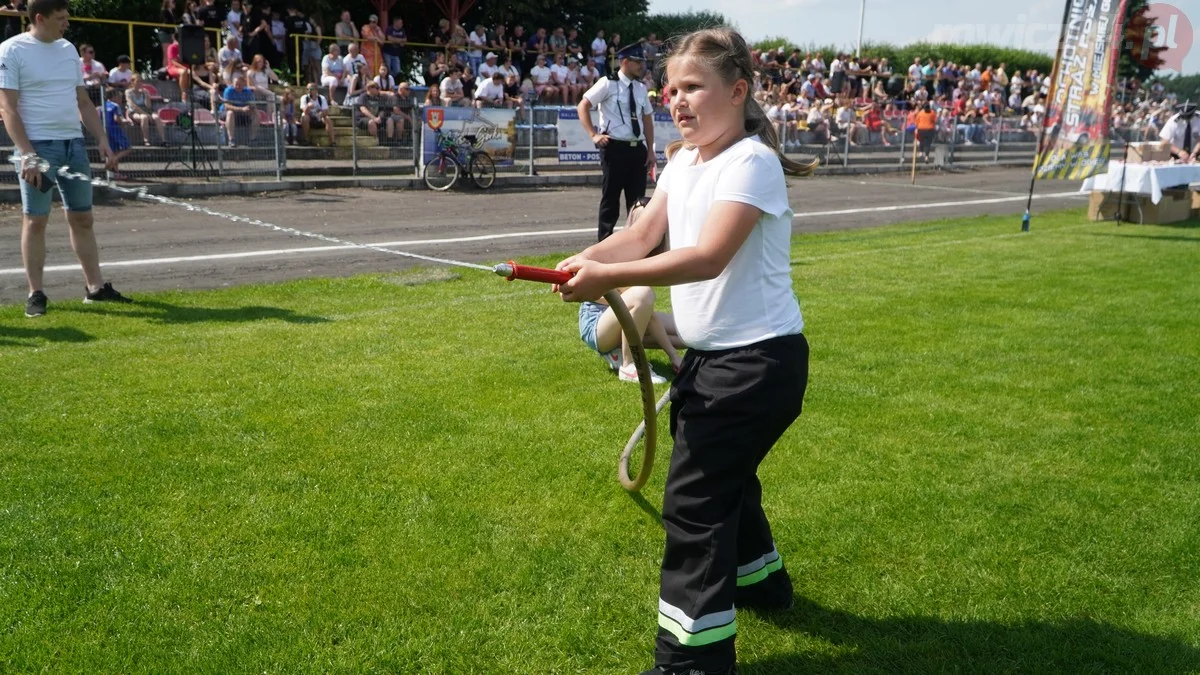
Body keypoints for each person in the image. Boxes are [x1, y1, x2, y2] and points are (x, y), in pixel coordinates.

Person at [555, 26, 814, 675]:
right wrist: (582, 261)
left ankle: (691, 662)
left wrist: (607, 279)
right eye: (672, 88)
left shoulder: (749, 161)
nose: (677, 99)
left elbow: (707, 256)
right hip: (715, 362)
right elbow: (641, 233)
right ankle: (760, 582)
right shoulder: (683, 161)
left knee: (693, 505)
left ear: (738, 90)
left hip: (758, 364)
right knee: (724, 479)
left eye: (694, 86)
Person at [0, 0, 132, 316]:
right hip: (38, 148)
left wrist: (101, 138)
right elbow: (8, 108)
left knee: (83, 217)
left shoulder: (67, 49)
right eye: (61, 18)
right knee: (36, 220)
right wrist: (28, 155)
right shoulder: (11, 50)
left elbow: (82, 101)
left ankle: (95, 289)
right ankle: (36, 294)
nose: (67, 23)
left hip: (73, 144)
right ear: (40, 18)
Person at [576, 199, 684, 383]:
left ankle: (618, 352)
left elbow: (648, 315)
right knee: (642, 294)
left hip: (621, 320)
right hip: (596, 324)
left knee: (686, 330)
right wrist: (673, 355)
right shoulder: (619, 250)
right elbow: (597, 295)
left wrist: (674, 357)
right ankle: (629, 365)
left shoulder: (648, 254)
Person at [577, 41, 655, 241]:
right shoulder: (607, 83)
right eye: (638, 62)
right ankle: (604, 241)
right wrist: (594, 135)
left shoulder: (640, 87)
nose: (642, 66)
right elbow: (583, 106)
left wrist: (650, 150)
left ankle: (635, 242)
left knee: (637, 201)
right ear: (625, 62)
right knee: (610, 199)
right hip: (614, 148)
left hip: (636, 149)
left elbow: (647, 119)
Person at [220, 71, 257, 147]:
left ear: (244, 84)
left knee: (256, 113)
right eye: (236, 84)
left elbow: (252, 104)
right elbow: (227, 106)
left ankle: (252, 139)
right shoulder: (228, 91)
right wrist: (241, 109)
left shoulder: (248, 92)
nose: (237, 86)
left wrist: (251, 108)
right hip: (226, 113)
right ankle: (231, 140)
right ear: (233, 84)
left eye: (240, 85)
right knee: (230, 113)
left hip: (242, 112)